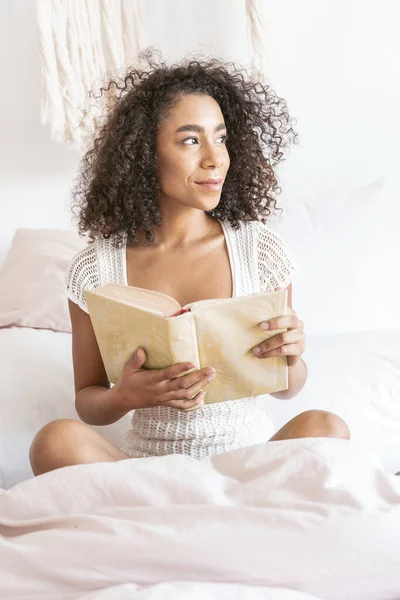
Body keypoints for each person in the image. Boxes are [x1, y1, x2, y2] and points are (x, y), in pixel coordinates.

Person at [29, 52, 350, 476]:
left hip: (247, 464)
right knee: (54, 441)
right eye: (190, 140)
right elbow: (89, 402)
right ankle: (205, 510)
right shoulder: (95, 268)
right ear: (145, 155)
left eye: (220, 138)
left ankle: (199, 510)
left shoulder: (260, 251)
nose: (215, 158)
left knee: (328, 428)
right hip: (148, 470)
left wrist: (292, 357)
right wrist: (125, 395)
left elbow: (287, 390)